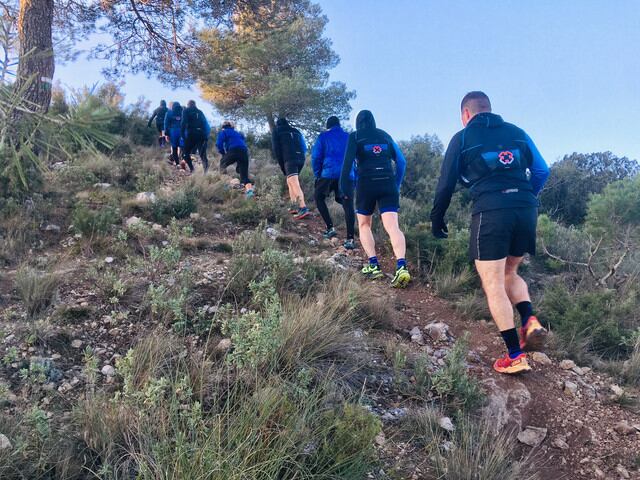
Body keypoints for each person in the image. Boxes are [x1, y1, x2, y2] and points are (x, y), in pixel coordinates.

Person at [431, 91, 550, 375]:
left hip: (491, 212)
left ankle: (515, 355)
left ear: (466, 115)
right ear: (489, 109)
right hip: (525, 209)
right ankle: (529, 320)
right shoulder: (517, 132)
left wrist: (437, 218)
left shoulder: (461, 138)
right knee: (511, 272)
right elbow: (542, 171)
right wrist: (525, 197)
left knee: (493, 282)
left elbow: (446, 184)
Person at [340, 110, 410, 288]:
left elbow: (347, 164)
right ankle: (401, 267)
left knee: (364, 224)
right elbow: (401, 162)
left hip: (366, 184)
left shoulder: (355, 137)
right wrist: (396, 183)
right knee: (393, 227)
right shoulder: (384, 135)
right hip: (387, 183)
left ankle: (374, 265)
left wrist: (344, 188)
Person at [311, 116, 355, 249]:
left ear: (327, 125)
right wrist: (355, 177)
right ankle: (350, 239)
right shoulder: (350, 137)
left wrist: (318, 174)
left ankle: (330, 228)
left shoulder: (323, 136)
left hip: (328, 173)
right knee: (348, 205)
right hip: (347, 175)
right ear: (339, 125)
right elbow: (356, 158)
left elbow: (316, 157)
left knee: (319, 197)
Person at [272, 118, 309, 219]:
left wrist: (282, 165)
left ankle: (303, 207)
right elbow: (304, 146)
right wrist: (301, 156)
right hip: (301, 158)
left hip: (289, 158)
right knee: (290, 181)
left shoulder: (277, 131)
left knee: (294, 182)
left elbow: (276, 150)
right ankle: (293, 206)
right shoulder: (296, 131)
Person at [216, 120, 255, 197]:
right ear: (231, 126)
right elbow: (242, 139)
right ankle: (250, 192)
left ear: (223, 127)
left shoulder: (223, 132)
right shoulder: (237, 133)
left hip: (233, 150)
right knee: (244, 175)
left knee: (222, 164)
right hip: (244, 151)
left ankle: (225, 185)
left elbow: (218, 144)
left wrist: (223, 154)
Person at [181, 100, 210, 174]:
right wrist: (206, 136)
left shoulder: (186, 111)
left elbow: (183, 122)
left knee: (185, 153)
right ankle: (206, 173)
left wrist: (183, 135)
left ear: (188, 105)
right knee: (203, 155)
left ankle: (192, 169)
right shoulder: (200, 112)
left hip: (191, 135)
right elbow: (206, 124)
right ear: (195, 104)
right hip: (201, 134)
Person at [163, 101, 183, 167]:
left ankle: (177, 163)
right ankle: (183, 160)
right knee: (182, 147)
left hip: (173, 132)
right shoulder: (183, 113)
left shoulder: (169, 113)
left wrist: (166, 134)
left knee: (174, 148)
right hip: (182, 132)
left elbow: (166, 124)